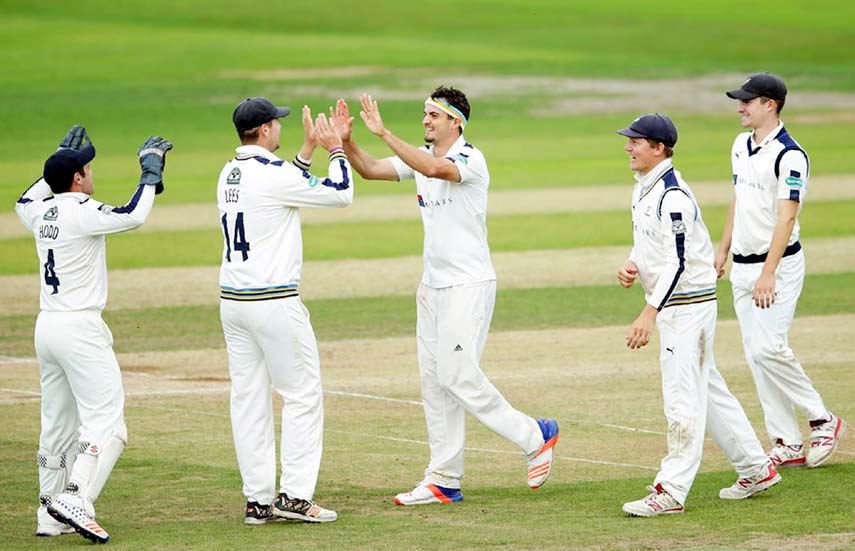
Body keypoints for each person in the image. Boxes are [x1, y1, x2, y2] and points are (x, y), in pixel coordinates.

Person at [330, 86, 558, 506]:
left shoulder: (470, 158)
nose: (425, 121)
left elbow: (437, 170)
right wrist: (347, 141)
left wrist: (383, 132)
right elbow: (372, 170)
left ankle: (535, 436)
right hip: (432, 286)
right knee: (435, 385)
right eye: (424, 114)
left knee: (457, 375)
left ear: (457, 121)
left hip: (468, 284)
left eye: (433, 115)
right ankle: (444, 479)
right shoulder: (421, 156)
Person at [615, 114, 780, 517]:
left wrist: (648, 312)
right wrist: (633, 263)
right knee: (708, 390)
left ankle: (671, 490)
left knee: (682, 398)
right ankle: (756, 467)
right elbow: (651, 244)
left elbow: (679, 261)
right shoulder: (645, 188)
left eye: (636, 142)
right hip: (679, 304)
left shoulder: (672, 195)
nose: (627, 147)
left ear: (659, 148)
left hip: (686, 308)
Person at [15, 126, 173, 542]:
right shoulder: (81, 210)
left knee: (57, 425)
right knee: (108, 424)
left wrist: (55, 159)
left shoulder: (39, 211)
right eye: (85, 166)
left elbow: (25, 197)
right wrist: (149, 173)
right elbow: (132, 215)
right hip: (80, 327)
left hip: (47, 326)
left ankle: (48, 514)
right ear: (79, 180)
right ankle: (76, 496)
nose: (90, 171)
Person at [218, 97, 352, 524]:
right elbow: (340, 195)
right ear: (263, 130)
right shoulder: (270, 174)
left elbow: (281, 187)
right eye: (276, 122)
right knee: (302, 396)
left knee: (249, 401)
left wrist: (305, 153)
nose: (281, 127)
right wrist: (335, 150)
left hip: (233, 303)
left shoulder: (230, 171)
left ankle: (258, 501)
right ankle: (294, 496)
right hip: (272, 302)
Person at [716, 73, 846, 468]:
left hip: (779, 266)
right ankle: (786, 441)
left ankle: (823, 420)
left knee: (769, 347)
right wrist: (722, 249)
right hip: (741, 265)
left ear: (769, 104)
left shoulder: (791, 155)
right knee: (756, 355)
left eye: (747, 101)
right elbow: (738, 200)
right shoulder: (741, 144)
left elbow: (786, 218)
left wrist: (768, 273)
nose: (740, 107)